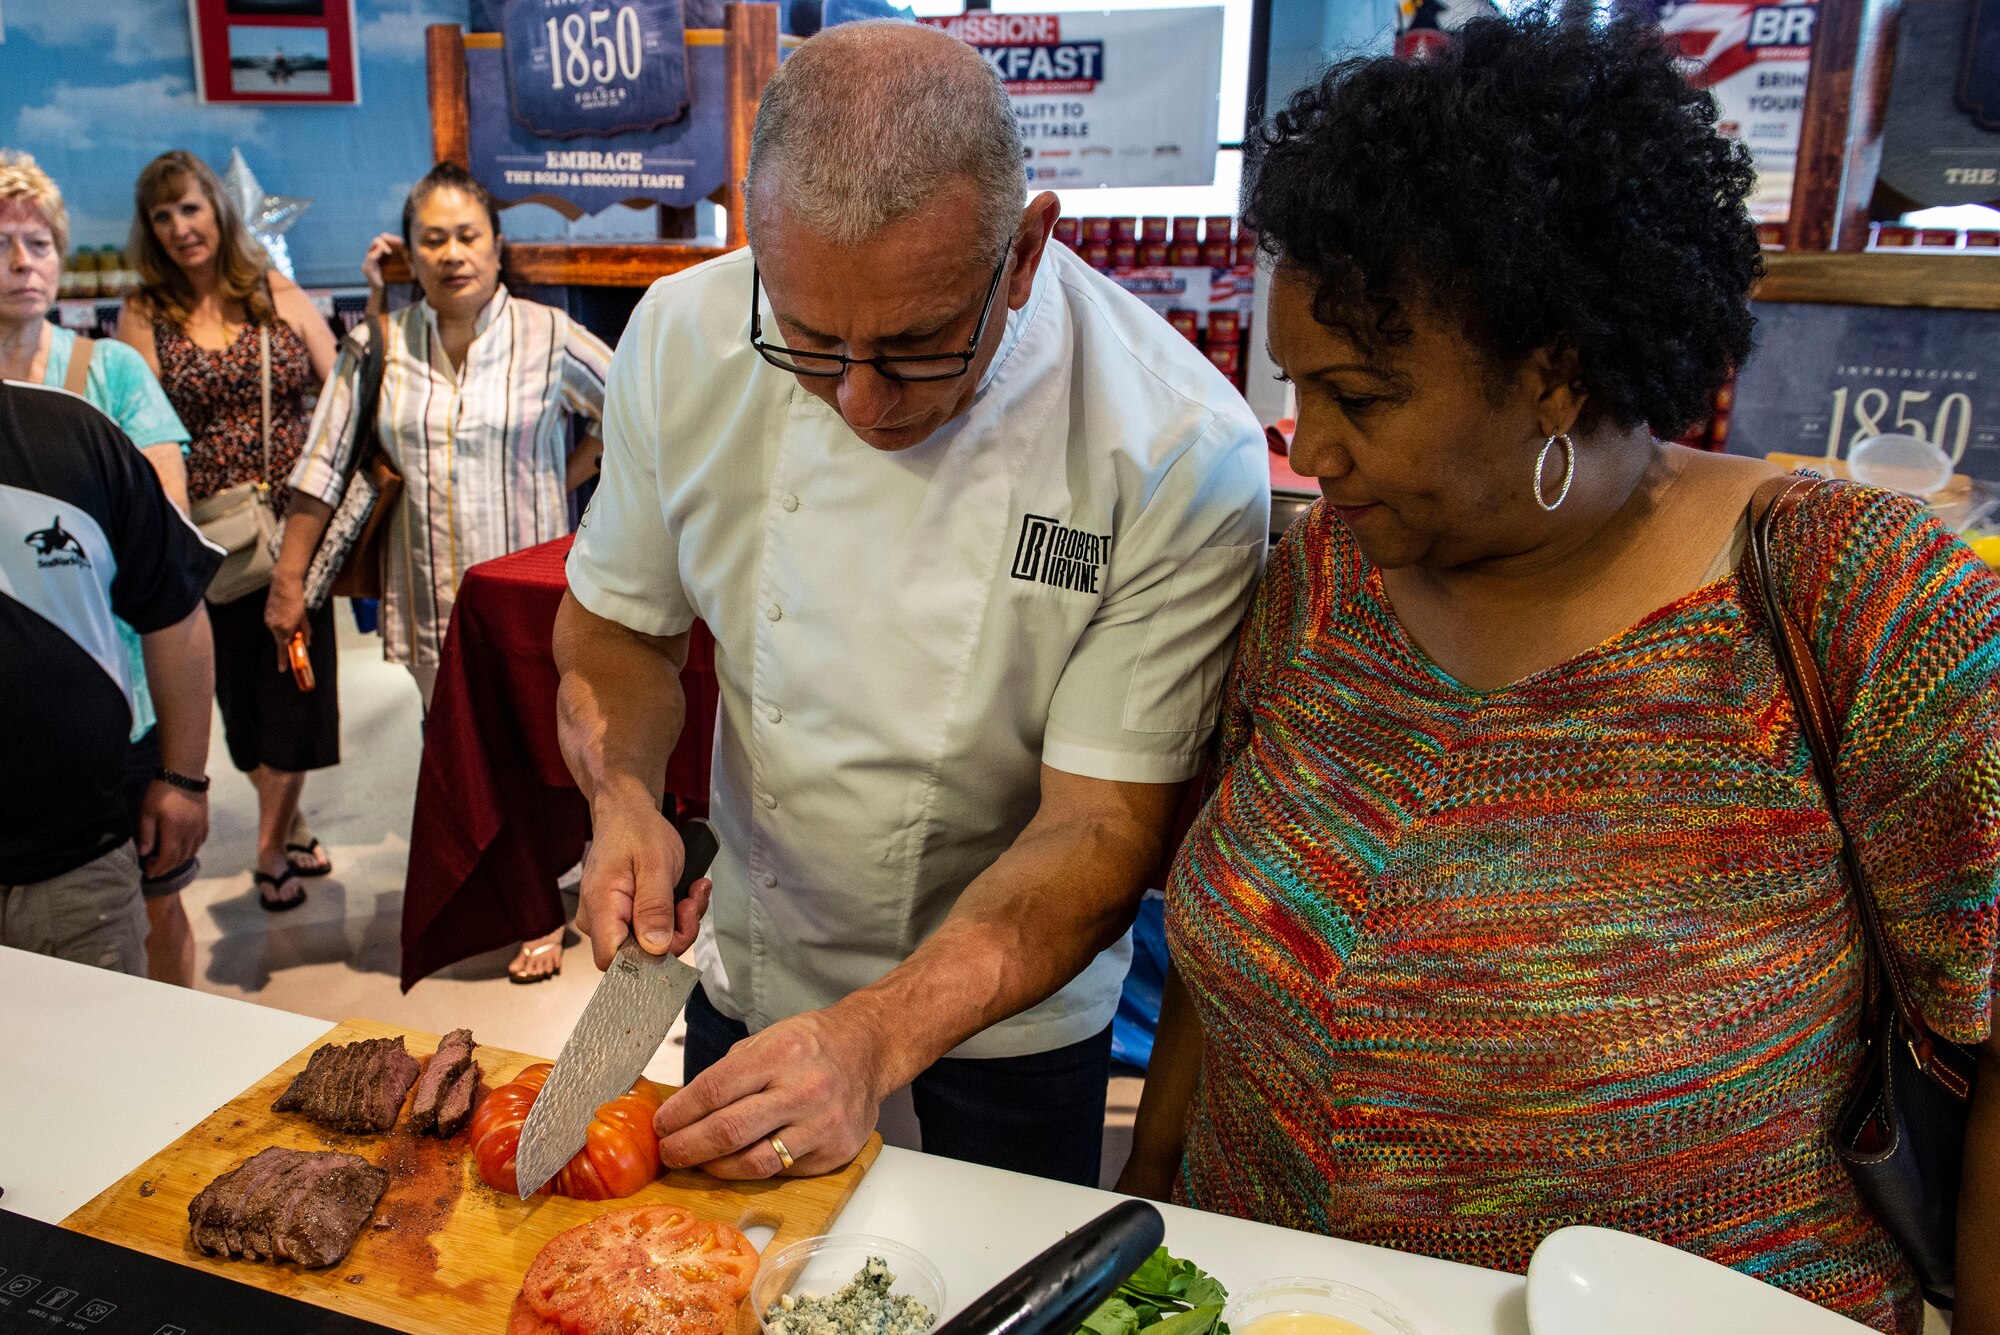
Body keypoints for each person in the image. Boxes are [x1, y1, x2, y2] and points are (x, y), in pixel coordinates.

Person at [1119, 17, 1998, 1335]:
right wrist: (1151, 1216)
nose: (1311, 442)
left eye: (1362, 394)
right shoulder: (1322, 581)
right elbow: (1217, 955)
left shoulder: (1852, 601)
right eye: (1298, 385)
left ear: (1553, 375)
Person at [556, 20, 1269, 1187]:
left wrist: (877, 1035)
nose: (857, 402)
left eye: (919, 345)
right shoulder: (682, 336)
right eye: (806, 338)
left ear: (1027, 251)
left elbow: (1102, 825)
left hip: (1009, 999)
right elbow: (617, 625)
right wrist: (620, 793)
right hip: (755, 946)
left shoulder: (1172, 446)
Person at [275, 162, 613, 983]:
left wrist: (571, 477)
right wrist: (289, 581)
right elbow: (324, 464)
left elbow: (636, 416)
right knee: (465, 753)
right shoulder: (377, 344)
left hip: (536, 604)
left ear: (498, 246)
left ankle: (581, 886)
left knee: (558, 751)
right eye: (434, 238)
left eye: (468, 235)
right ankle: (528, 907)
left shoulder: (549, 335)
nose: (453, 252)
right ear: (410, 253)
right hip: (430, 603)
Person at [0, 150, 207, 986]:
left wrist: (182, 771)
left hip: (119, 701)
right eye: (4, 242)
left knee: (154, 904)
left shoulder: (108, 374)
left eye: (40, 243)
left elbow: (164, 535)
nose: (23, 262)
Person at [116, 150, 341, 914]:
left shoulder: (272, 291)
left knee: (297, 694)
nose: (181, 227)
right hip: (206, 535)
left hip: (295, 529)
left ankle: (271, 846)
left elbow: (336, 381)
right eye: (163, 215)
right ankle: (289, 814)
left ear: (219, 209)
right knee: (241, 706)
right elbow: (139, 428)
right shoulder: (145, 313)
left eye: (191, 207)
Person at [0, 379, 219, 975]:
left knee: (102, 1057)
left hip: (77, 862)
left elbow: (174, 606)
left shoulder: (73, 434)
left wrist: (182, 778)